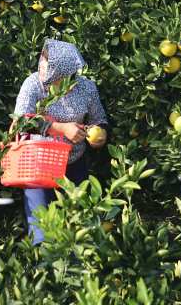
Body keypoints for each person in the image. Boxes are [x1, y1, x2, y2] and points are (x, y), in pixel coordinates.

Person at [11, 38, 108, 245]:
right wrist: (61, 128)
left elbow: (99, 119)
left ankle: (74, 272)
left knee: (77, 227)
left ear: (64, 74)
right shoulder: (33, 85)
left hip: (73, 165)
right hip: (37, 167)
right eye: (43, 60)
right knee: (42, 229)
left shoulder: (86, 89)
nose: (43, 66)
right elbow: (20, 122)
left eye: (48, 64)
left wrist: (98, 136)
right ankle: (43, 271)